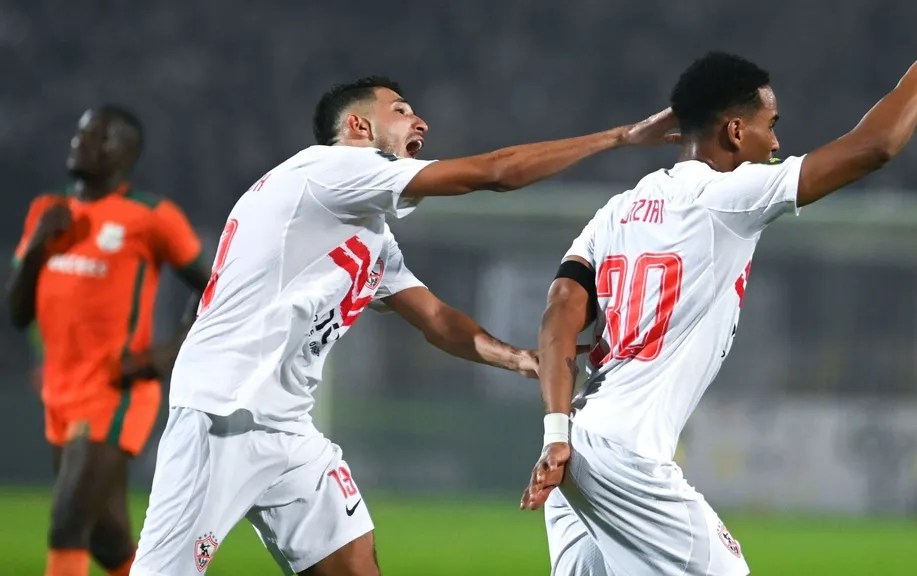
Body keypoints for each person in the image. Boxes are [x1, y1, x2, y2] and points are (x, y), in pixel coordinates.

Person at [129, 76, 677, 576]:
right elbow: (493, 173)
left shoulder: (369, 232)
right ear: (359, 127)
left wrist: (517, 358)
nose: (421, 123)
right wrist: (620, 138)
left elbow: (436, 319)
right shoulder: (330, 168)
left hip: (288, 428)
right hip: (222, 413)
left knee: (353, 564)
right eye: (401, 110)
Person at [521, 14, 917, 576]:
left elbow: (559, 316)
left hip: (575, 446)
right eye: (771, 124)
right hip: (627, 457)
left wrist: (556, 432)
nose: (778, 141)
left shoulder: (614, 212)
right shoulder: (728, 195)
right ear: (735, 132)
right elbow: (874, 147)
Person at [7, 105, 209, 576]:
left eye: (98, 136)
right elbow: (17, 314)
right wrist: (38, 244)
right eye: (81, 132)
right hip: (59, 392)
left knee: (66, 524)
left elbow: (215, 285)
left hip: (114, 392)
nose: (82, 141)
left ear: (126, 152)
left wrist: (168, 352)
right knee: (108, 540)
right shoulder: (48, 211)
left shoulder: (151, 216)